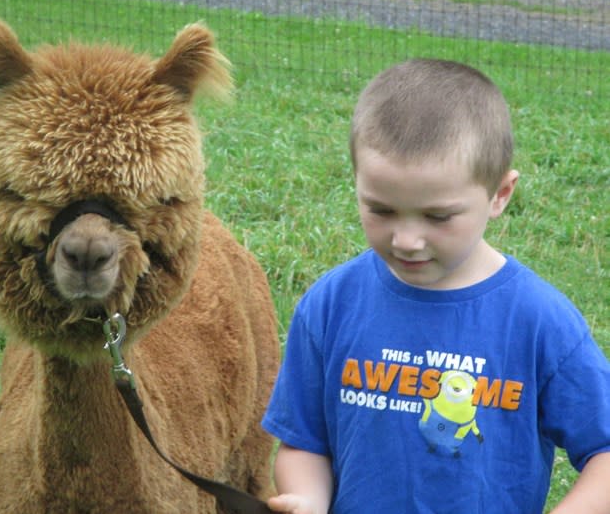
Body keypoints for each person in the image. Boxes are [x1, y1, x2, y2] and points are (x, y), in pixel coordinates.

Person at [261, 58, 610, 514]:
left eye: (438, 216)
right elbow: (304, 441)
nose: (406, 240)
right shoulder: (330, 305)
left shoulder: (539, 321)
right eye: (381, 210)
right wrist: (307, 499)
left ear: (500, 195)